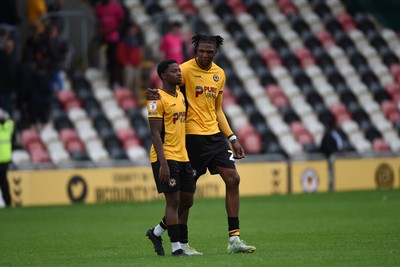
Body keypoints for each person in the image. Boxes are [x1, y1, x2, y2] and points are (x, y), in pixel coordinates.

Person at [146, 34, 256, 254]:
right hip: (191, 139)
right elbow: (168, 91)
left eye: (209, 51)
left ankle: (234, 238)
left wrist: (232, 137)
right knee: (186, 198)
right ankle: (176, 240)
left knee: (233, 178)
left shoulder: (219, 74)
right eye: (201, 51)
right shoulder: (184, 70)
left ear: (215, 52)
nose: (205, 55)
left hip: (214, 136)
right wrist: (154, 94)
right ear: (195, 51)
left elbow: (217, 110)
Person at [145, 59, 195, 256]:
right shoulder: (156, 99)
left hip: (183, 156)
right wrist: (163, 163)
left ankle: (156, 232)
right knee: (173, 202)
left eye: (179, 71)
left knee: (187, 201)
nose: (179, 73)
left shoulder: (181, 96)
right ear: (163, 75)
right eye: (174, 71)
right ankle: (177, 248)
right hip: (165, 156)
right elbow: (155, 134)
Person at [94, 0, 125, 87]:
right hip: (103, 39)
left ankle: (115, 82)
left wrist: (109, 30)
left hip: (114, 39)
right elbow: (98, 22)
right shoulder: (99, 8)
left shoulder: (115, 6)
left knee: (114, 62)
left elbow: (122, 22)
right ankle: (106, 81)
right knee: (104, 62)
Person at [117, 22, 144, 98]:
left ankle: (136, 100)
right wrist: (125, 63)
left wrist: (140, 62)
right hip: (129, 65)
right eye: (132, 29)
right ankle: (128, 100)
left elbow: (140, 53)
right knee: (128, 84)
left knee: (137, 84)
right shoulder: (125, 41)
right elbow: (121, 53)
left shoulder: (138, 40)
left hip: (137, 64)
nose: (133, 31)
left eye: (135, 29)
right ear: (129, 30)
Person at [0, 108, 13, 207]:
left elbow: (10, 122)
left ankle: (7, 201)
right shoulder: (7, 126)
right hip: (5, 159)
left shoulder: (7, 125)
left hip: (4, 159)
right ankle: (7, 201)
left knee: (4, 182)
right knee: (4, 181)